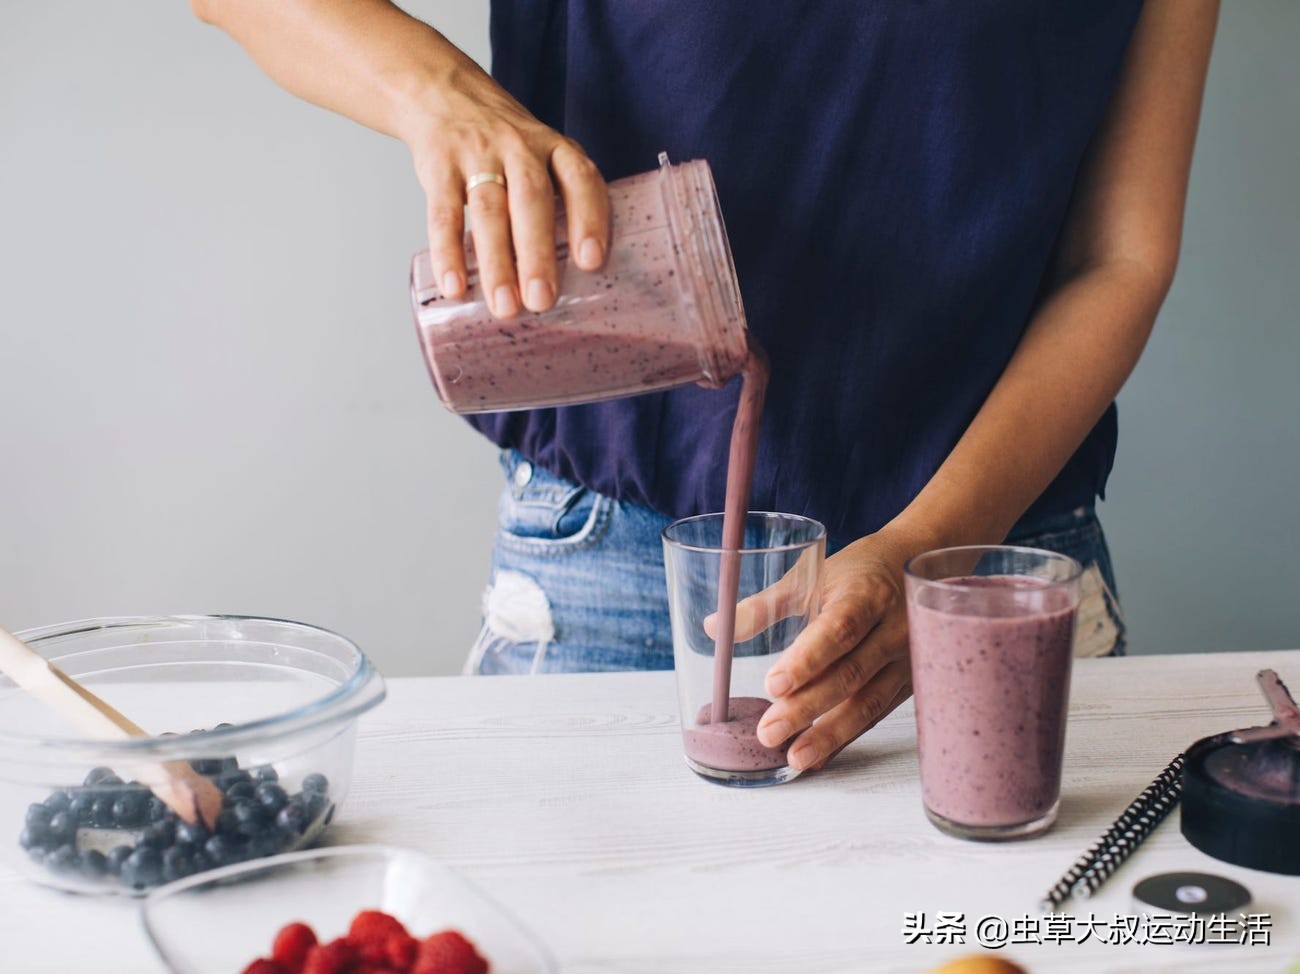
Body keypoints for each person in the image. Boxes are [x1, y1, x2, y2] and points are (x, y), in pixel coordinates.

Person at [192, 0, 1219, 773]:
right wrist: (442, 98)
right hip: (617, 575)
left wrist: (925, 545)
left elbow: (1116, 256)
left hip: (989, 575)